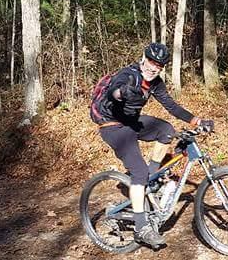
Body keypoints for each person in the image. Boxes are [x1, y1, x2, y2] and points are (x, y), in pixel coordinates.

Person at [92, 42, 214, 247]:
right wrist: (122, 93)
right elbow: (115, 90)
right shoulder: (129, 75)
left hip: (131, 123)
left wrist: (197, 121)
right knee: (138, 172)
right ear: (143, 58)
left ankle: (151, 177)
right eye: (151, 61)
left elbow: (171, 106)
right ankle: (141, 227)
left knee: (165, 130)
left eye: (159, 65)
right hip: (112, 127)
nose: (153, 67)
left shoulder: (155, 83)